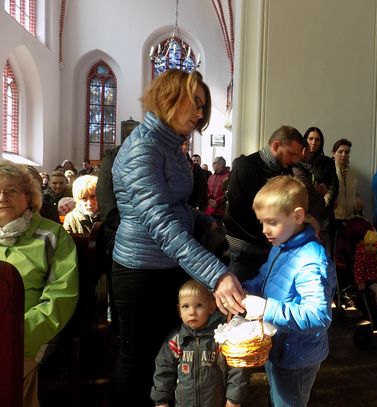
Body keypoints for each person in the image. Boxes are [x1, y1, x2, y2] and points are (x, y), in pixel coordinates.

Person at [110, 69, 244, 406]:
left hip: (166, 266)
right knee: (138, 362)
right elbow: (160, 221)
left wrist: (208, 223)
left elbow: (175, 206)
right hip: (139, 271)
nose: (200, 113)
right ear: (169, 97)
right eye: (195, 102)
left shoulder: (169, 145)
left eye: (202, 106)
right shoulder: (144, 148)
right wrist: (217, 275)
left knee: (165, 358)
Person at [242, 176, 336, 407]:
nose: (264, 230)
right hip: (278, 348)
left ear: (297, 216)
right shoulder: (281, 245)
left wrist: (267, 308)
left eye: (272, 222)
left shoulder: (311, 259)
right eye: (262, 222)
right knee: (277, 397)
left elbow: (319, 315)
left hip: (297, 359)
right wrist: (243, 290)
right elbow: (264, 278)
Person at [0, 159, 79, 406]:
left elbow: (60, 299)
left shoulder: (52, 236)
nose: (2, 198)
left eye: (11, 191)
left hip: (29, 338)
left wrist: (12, 335)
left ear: (29, 196)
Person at [223, 125, 303, 282]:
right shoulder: (245, 166)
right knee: (241, 294)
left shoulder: (284, 170)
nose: (295, 160)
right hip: (244, 250)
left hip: (269, 248)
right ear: (276, 146)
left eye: (297, 155)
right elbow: (239, 213)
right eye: (291, 154)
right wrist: (273, 232)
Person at [150, 279, 248, 407]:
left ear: (211, 307)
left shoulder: (221, 338)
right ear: (179, 311)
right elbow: (163, 370)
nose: (192, 312)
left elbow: (237, 368)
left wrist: (234, 399)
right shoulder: (175, 340)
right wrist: (161, 401)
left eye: (199, 305)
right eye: (186, 306)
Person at [303, 127, 339, 247]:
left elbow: (334, 185)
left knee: (322, 247)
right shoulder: (298, 160)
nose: (313, 142)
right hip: (304, 211)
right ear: (305, 140)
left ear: (321, 142)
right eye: (311, 138)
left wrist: (326, 199)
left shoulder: (328, 162)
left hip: (323, 212)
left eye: (317, 140)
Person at [332, 138, 363, 222]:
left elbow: (356, 194)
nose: (343, 154)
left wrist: (358, 201)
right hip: (333, 216)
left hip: (350, 218)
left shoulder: (353, 173)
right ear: (334, 153)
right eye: (340, 151)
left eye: (346, 152)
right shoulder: (329, 171)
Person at [206, 156, 230, 222]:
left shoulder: (229, 176)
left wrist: (217, 202)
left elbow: (229, 193)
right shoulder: (211, 176)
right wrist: (209, 199)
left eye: (214, 163)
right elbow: (207, 190)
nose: (212, 165)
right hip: (210, 209)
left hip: (222, 211)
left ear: (221, 164)